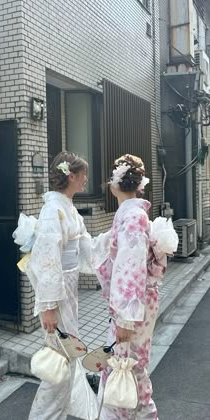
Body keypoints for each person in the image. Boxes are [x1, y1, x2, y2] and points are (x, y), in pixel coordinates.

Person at [95, 154, 177, 420]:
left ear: (114, 184)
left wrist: (125, 319)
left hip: (131, 308)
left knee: (123, 366)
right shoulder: (134, 214)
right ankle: (145, 414)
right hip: (138, 303)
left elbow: (129, 271)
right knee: (134, 366)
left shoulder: (132, 218)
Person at [22, 151, 98, 420]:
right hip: (58, 296)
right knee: (58, 364)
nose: (86, 179)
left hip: (69, 291)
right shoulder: (53, 210)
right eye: (84, 174)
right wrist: (48, 306)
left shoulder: (68, 208)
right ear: (72, 176)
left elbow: (89, 247)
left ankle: (58, 413)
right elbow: (47, 261)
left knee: (67, 358)